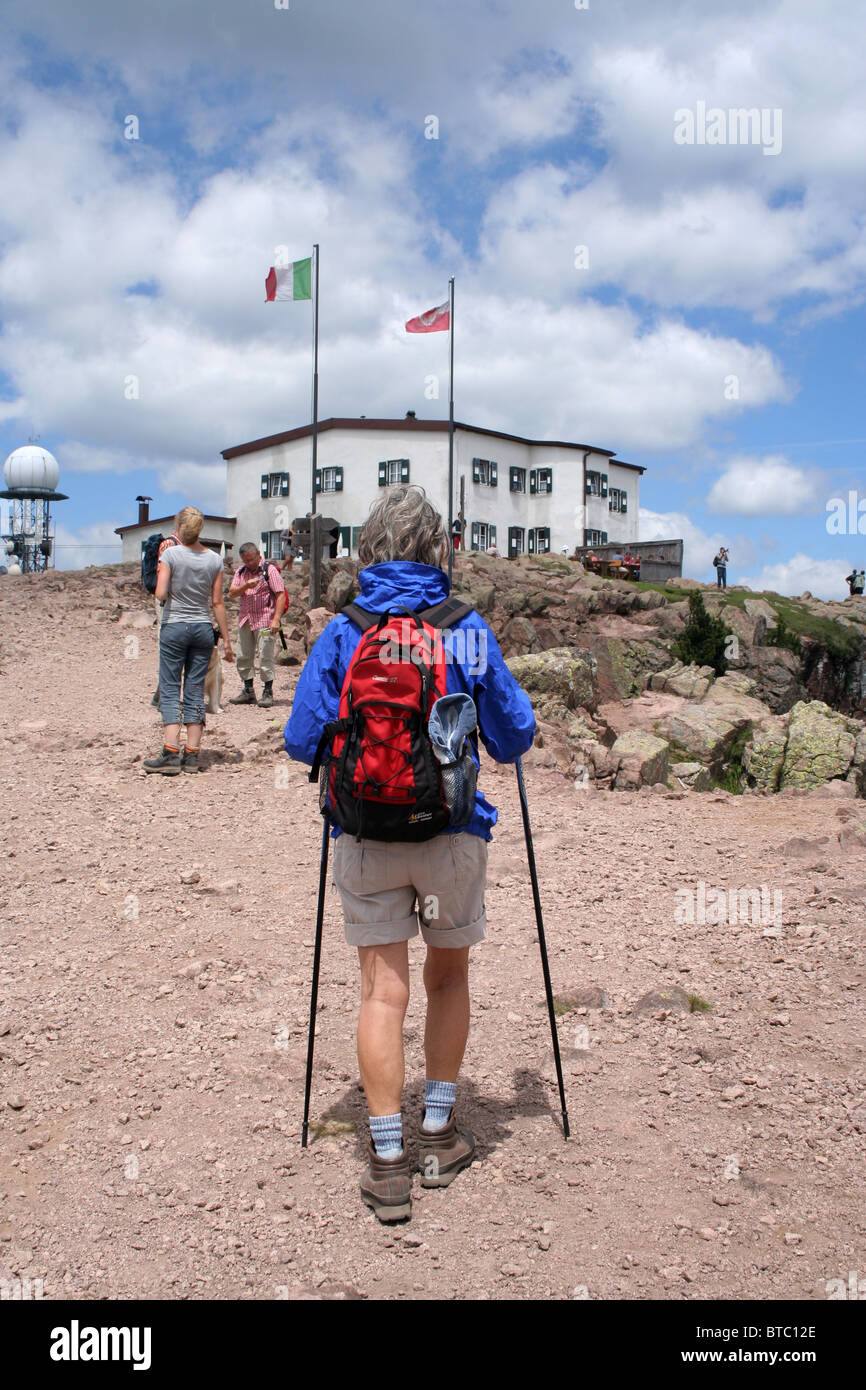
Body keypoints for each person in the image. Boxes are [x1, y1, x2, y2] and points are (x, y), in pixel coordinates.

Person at [284, 485, 535, 1223]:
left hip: (365, 834)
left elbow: (301, 740)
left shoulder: (344, 631)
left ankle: (388, 1157)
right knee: (447, 979)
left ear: (371, 547)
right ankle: (440, 1133)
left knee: (380, 993)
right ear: (438, 549)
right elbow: (513, 737)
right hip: (451, 833)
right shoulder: (463, 627)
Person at [144, 507, 233, 775]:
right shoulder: (214, 560)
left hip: (175, 626)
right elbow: (218, 602)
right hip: (203, 627)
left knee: (171, 687)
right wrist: (227, 641)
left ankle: (171, 752)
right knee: (195, 688)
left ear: (179, 526)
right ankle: (192, 755)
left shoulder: (170, 554)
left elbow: (160, 593)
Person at [228, 543, 286, 708]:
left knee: (265, 655)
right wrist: (246, 585)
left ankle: (267, 691)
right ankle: (248, 690)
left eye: (252, 559)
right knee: (243, 655)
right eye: (246, 560)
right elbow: (232, 593)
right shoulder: (241, 571)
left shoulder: (269, 570)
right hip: (246, 619)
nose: (250, 563)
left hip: (265, 619)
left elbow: (280, 595)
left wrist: (276, 619)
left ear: (258, 555)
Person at [150, 526, 181, 708]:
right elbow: (164, 575)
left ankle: (162, 694)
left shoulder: (177, 545)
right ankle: (165, 697)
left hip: (174, 602)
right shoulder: (170, 544)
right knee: (169, 647)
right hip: (168, 602)